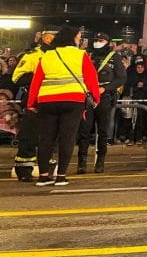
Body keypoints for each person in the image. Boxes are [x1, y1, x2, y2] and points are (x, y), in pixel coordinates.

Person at [28, 26, 100, 186]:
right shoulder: (80, 54)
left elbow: (36, 80)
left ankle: (43, 176)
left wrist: (31, 102)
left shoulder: (47, 56)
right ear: (72, 38)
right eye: (79, 37)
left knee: (46, 138)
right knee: (67, 137)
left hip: (47, 100)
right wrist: (95, 98)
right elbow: (91, 78)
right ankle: (60, 176)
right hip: (72, 100)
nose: (80, 40)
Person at [11, 28, 57, 182]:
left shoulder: (60, 55)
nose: (53, 40)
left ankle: (47, 168)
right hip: (34, 102)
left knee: (50, 137)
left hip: (53, 101)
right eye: (50, 37)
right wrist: (40, 74)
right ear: (44, 38)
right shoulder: (32, 55)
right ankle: (24, 169)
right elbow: (17, 78)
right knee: (29, 137)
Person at [77, 32, 125, 174]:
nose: (98, 42)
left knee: (103, 132)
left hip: (104, 97)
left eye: (101, 40)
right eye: (96, 40)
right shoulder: (86, 55)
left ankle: (100, 162)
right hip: (88, 96)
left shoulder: (114, 57)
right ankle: (82, 162)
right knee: (84, 131)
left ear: (108, 42)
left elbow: (121, 78)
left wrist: (105, 88)